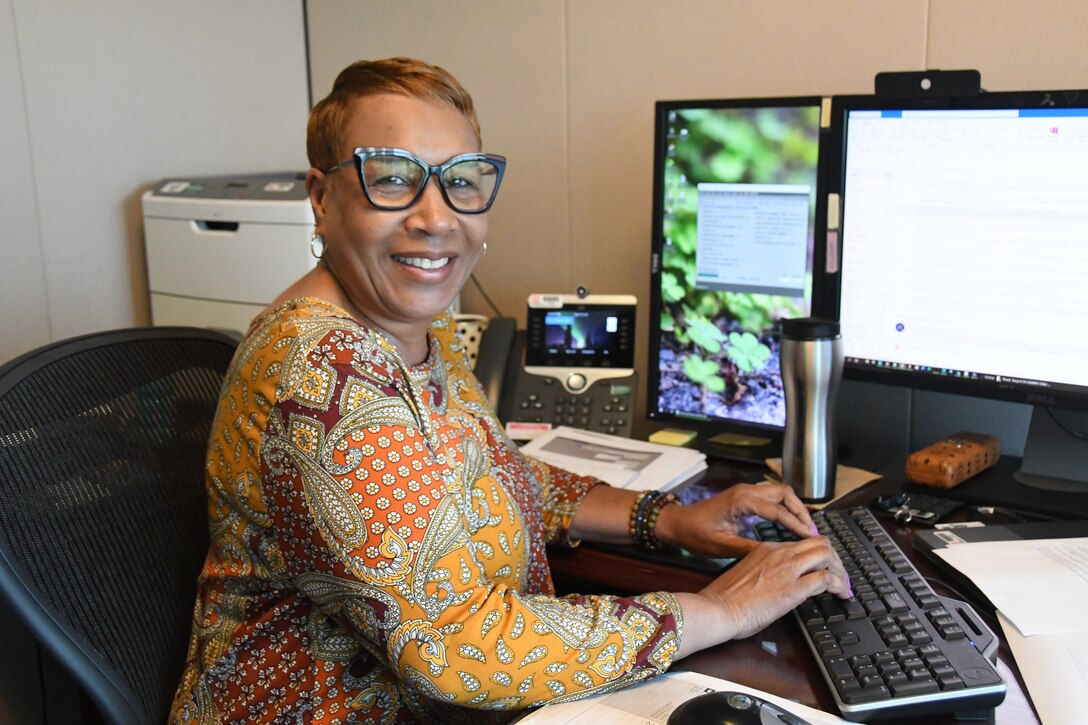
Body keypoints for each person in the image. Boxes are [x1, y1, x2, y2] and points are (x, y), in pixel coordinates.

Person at [170, 57, 850, 725]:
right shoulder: (323, 367)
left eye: (461, 182)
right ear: (322, 197)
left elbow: (495, 475)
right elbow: (450, 643)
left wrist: (663, 518)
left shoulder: (408, 332)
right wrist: (722, 609)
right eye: (393, 180)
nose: (436, 218)